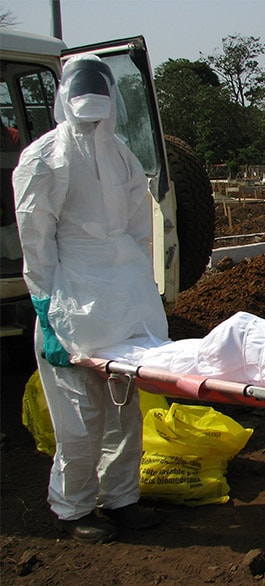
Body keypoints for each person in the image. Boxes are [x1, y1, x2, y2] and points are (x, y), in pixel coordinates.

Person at [13, 54, 169, 543]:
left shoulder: (121, 154)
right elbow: (36, 243)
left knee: (124, 410)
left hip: (123, 301)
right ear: (65, 99)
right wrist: (45, 305)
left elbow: (138, 229)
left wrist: (144, 292)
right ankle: (74, 508)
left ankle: (120, 500)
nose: (93, 119)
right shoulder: (43, 159)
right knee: (80, 420)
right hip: (71, 303)